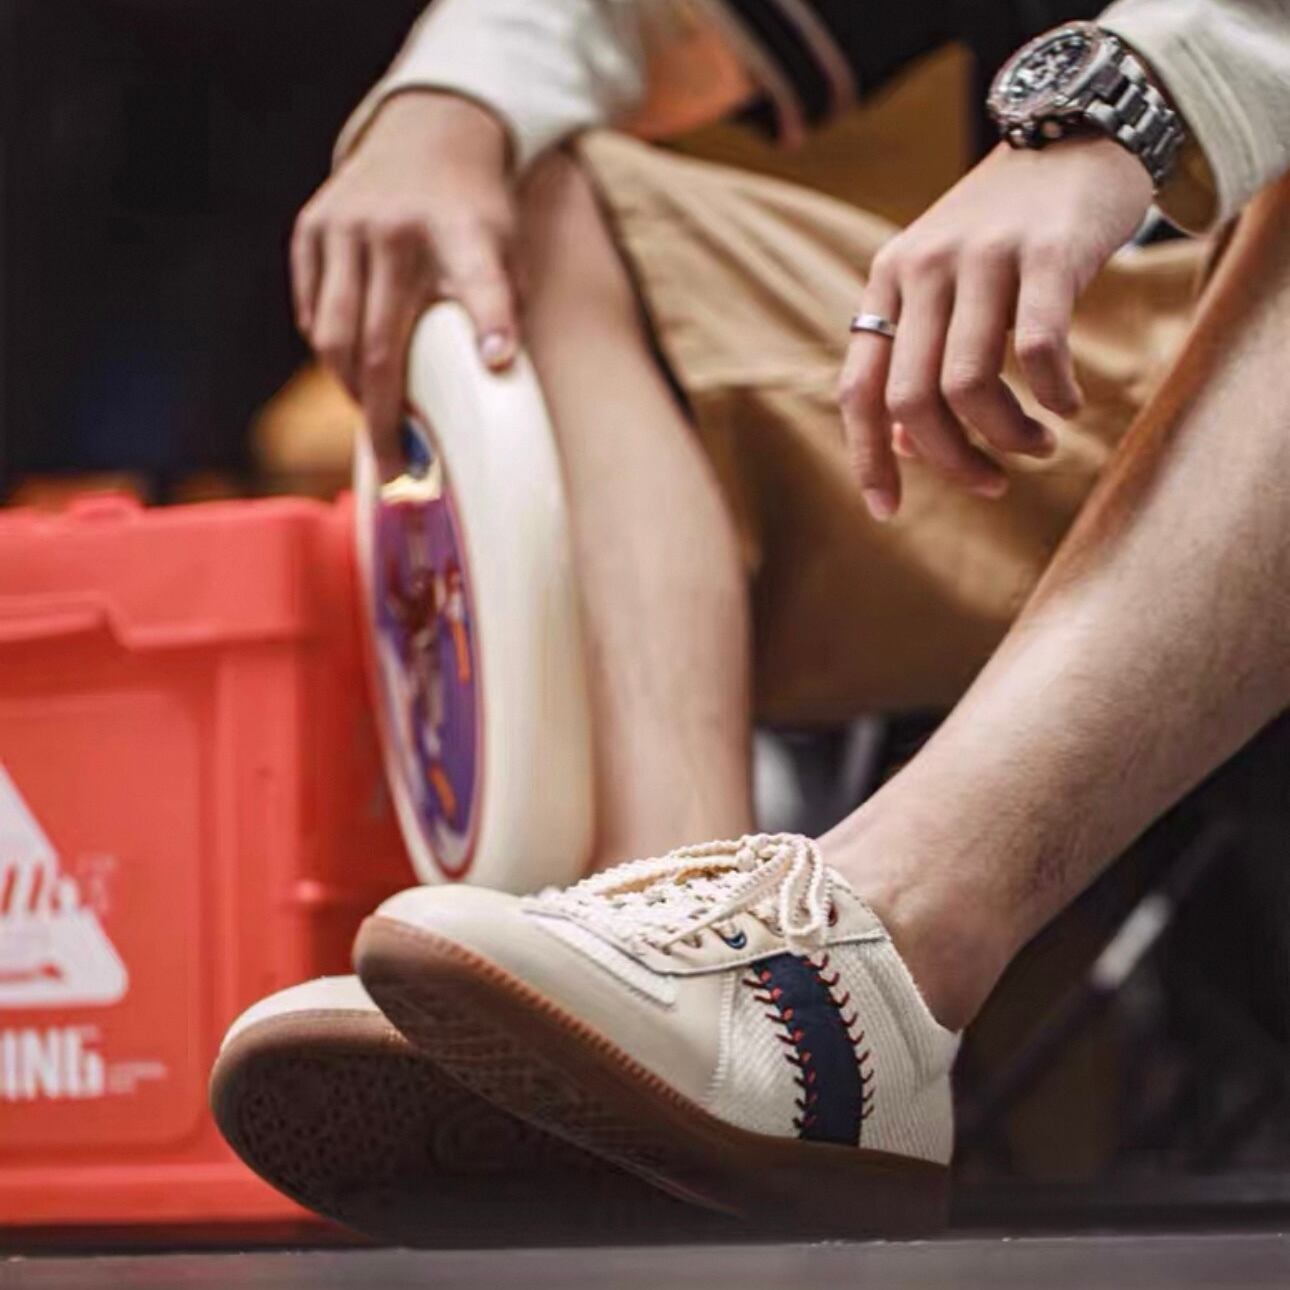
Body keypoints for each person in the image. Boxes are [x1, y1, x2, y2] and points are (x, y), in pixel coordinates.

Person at [345, 0, 1290, 1228]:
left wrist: (1129, 98)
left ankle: (880, 952)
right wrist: (445, 103)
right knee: (519, 200)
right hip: (1106, 386)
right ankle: (672, 1015)